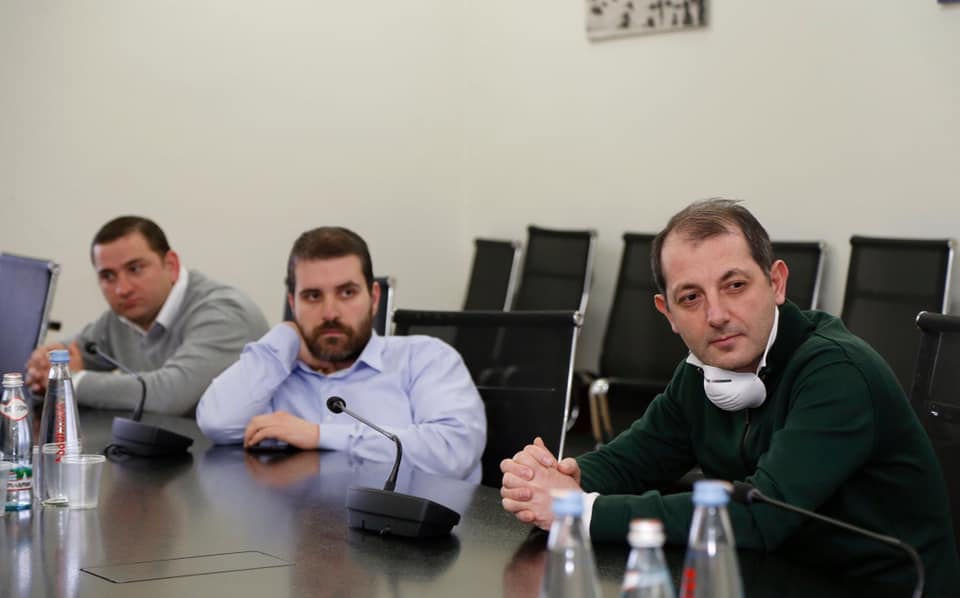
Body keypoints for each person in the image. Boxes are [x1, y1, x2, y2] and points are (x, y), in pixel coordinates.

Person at [500, 199, 960, 595]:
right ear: (668, 313)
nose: (717, 314)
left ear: (776, 283)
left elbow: (758, 517)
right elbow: (631, 462)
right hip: (772, 577)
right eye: (690, 298)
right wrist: (557, 478)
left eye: (735, 285)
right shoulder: (700, 373)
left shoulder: (838, 373)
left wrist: (580, 511)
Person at [196, 227, 487, 482]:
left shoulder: (425, 359)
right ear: (293, 304)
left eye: (347, 293)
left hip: (408, 525)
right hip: (296, 524)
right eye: (313, 296)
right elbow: (217, 423)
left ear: (374, 298)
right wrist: (283, 337)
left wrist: (319, 435)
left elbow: (453, 451)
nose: (330, 313)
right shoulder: (276, 372)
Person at [25, 216, 269, 416]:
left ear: (171, 265)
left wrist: (70, 382)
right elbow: (70, 353)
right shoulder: (122, 317)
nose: (122, 289)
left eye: (135, 269)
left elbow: (170, 395)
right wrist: (44, 364)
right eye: (108, 276)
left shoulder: (224, 313)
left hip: (249, 457)